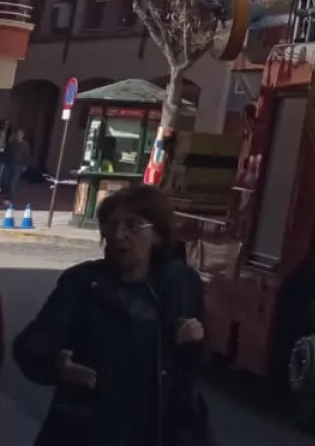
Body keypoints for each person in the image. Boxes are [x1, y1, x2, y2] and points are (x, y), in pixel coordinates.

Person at [12, 183, 214, 446]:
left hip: (161, 430)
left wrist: (195, 342)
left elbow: (193, 366)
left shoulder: (181, 282)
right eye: (111, 225)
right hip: (91, 431)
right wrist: (58, 365)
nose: (118, 235)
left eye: (133, 225)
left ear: (158, 235)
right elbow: (29, 347)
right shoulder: (82, 283)